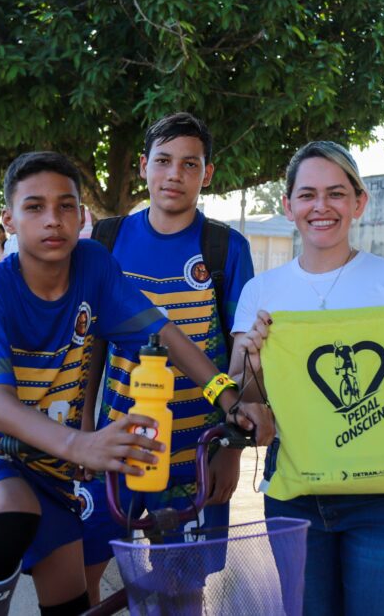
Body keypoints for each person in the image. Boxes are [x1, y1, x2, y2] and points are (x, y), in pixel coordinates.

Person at [0, 152, 274, 616]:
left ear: (81, 214)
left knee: (75, 605)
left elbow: (164, 335)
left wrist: (229, 402)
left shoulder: (92, 264)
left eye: (66, 206)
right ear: (8, 219)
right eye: (34, 207)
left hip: (50, 464)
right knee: (12, 513)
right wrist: (82, 444)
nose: (53, 220)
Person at [230, 141, 384, 616]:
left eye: (335, 193)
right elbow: (248, 405)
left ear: (358, 203)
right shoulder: (262, 292)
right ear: (288, 206)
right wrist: (252, 362)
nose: (321, 207)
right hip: (296, 497)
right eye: (307, 195)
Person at [78, 112, 255, 601]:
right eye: (163, 161)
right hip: (113, 444)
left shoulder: (225, 248)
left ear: (207, 174)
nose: (174, 174)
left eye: (189, 164)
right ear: (142, 166)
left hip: (196, 456)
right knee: (83, 571)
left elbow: (245, 352)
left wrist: (231, 448)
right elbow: (92, 343)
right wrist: (82, 430)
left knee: (183, 590)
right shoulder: (106, 241)